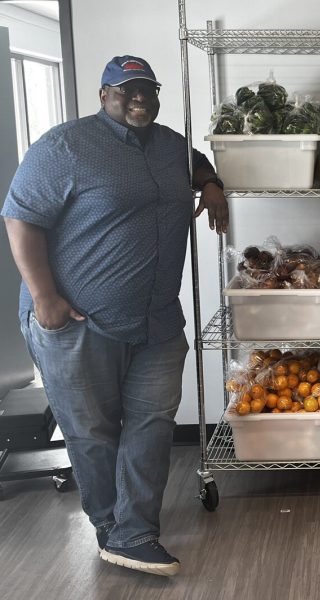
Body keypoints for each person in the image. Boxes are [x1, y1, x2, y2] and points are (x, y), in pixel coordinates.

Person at [1, 55, 229, 576]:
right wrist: (44, 297)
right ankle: (111, 527)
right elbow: (20, 219)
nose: (139, 97)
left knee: (152, 424)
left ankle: (135, 533)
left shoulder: (170, 146)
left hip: (157, 322)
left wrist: (212, 183)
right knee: (93, 431)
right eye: (126, 90)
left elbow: (196, 162)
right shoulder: (65, 146)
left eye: (147, 88)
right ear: (104, 95)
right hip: (80, 322)